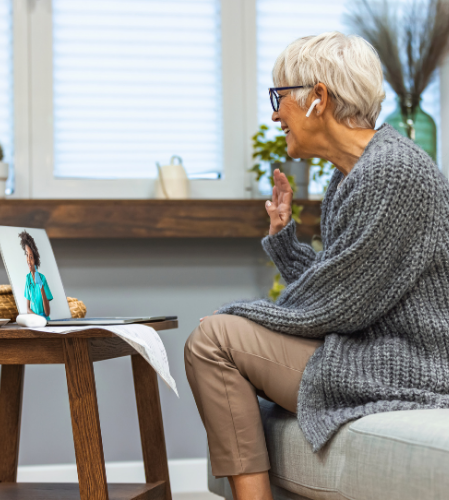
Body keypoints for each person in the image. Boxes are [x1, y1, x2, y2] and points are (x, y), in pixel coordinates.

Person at [184, 31, 449, 500]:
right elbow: (345, 283)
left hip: (405, 365)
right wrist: (284, 240)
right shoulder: (355, 173)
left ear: (318, 99)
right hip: (369, 346)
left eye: (278, 96)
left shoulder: (393, 171)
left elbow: (340, 305)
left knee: (213, 339)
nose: (273, 113)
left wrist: (240, 316)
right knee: (220, 334)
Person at [19, 230, 53, 320]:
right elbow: (27, 309)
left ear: (35, 259)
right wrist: (37, 318)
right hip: (35, 321)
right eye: (27, 255)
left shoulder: (42, 278)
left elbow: (47, 312)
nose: (28, 260)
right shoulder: (28, 278)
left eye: (31, 257)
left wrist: (41, 286)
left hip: (45, 322)